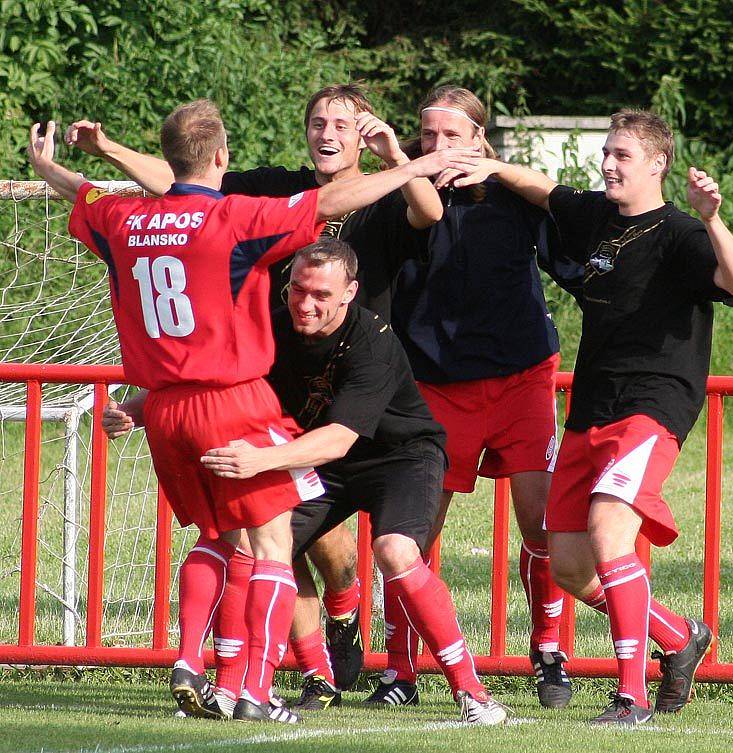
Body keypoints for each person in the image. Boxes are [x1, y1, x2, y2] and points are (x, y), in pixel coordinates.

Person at [28, 100, 477, 724]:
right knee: (270, 546)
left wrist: (47, 166)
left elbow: (86, 195)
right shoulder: (234, 219)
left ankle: (193, 658)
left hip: (164, 410)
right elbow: (327, 205)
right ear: (221, 158)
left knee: (222, 540)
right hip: (232, 397)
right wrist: (415, 165)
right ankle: (254, 691)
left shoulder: (124, 218)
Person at [449, 109, 733, 725]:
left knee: (611, 531)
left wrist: (712, 218)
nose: (608, 164)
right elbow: (547, 191)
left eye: (622, 156)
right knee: (568, 566)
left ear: (657, 165)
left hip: (654, 405)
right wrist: (493, 167)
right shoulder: (599, 218)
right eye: (607, 152)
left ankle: (630, 697)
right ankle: (678, 635)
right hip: (590, 409)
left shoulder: (680, 233)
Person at [199, 238, 509, 726]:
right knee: (255, 542)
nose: (306, 303)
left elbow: (339, 439)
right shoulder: (273, 326)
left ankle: (474, 694)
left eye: (321, 294)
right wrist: (136, 409)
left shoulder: (374, 339)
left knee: (395, 552)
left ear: (350, 293)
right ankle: (242, 685)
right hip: (319, 459)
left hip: (399, 456)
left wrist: (260, 460)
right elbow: (215, 376)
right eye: (298, 289)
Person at [384, 85, 583, 710]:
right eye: (428, 136)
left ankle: (549, 652)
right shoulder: (399, 195)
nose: (437, 148)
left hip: (522, 375)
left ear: (478, 139)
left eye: (451, 136)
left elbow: (579, 260)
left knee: (541, 517)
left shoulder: (513, 195)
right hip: (435, 386)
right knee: (412, 533)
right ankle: (400, 670)